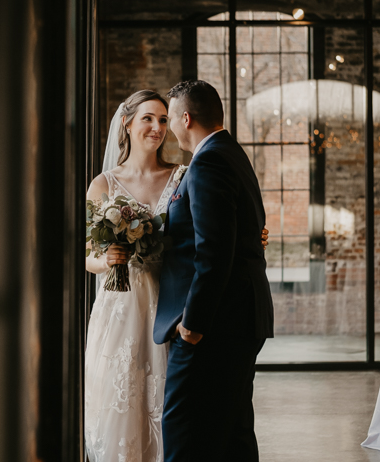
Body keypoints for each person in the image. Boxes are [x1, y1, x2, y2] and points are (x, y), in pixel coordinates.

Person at [84, 89, 269, 462]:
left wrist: (251, 233)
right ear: (127, 123)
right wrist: (109, 259)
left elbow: (208, 229)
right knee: (125, 406)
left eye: (164, 119)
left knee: (177, 411)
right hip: (122, 307)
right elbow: (88, 255)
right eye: (148, 119)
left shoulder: (184, 174)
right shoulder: (103, 184)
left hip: (170, 304)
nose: (157, 127)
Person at [154, 80, 274, 462]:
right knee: (232, 433)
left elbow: (214, 251)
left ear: (186, 118)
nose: (169, 127)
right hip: (239, 319)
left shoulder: (208, 162)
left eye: (171, 118)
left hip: (214, 327)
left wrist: (193, 325)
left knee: (184, 433)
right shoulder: (231, 153)